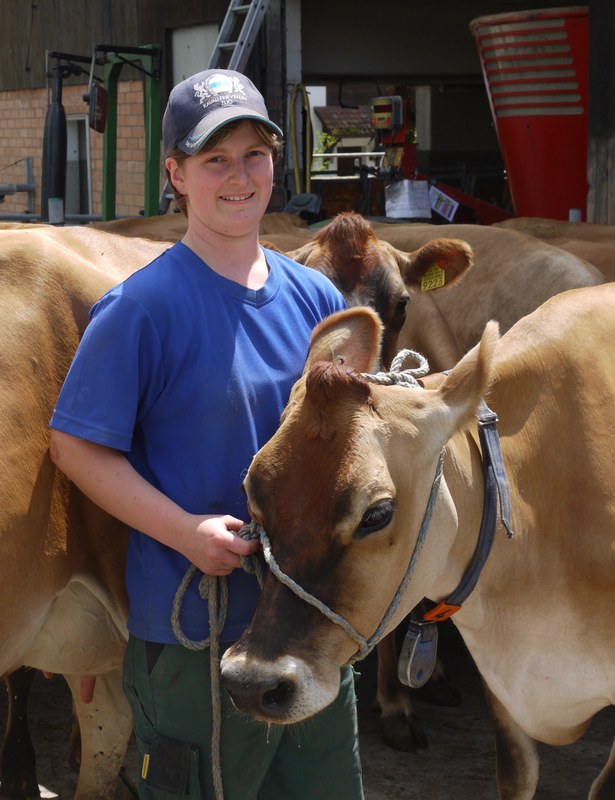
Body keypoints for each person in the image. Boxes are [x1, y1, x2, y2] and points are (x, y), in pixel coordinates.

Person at [49, 69, 364, 800]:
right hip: (198, 631)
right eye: (214, 159)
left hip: (313, 623)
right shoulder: (142, 308)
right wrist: (185, 529)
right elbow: (75, 446)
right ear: (175, 174)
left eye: (254, 154)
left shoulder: (315, 297)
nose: (238, 176)